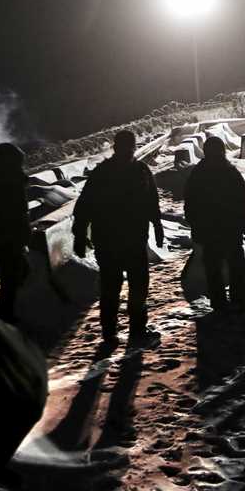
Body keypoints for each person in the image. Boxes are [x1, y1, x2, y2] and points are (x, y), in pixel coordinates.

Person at [73, 129, 163, 341]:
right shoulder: (139, 170)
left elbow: (83, 207)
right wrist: (157, 225)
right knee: (132, 285)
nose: (129, 151)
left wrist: (158, 225)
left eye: (130, 147)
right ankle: (132, 330)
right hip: (126, 240)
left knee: (114, 286)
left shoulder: (103, 172)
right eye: (127, 147)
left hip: (113, 240)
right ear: (119, 148)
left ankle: (112, 331)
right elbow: (151, 201)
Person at [183, 136, 245, 311]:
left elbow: (190, 203)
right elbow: (243, 200)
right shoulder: (230, 172)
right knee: (236, 265)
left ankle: (218, 302)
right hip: (231, 229)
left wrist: (195, 226)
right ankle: (239, 300)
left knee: (213, 267)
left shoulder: (197, 174)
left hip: (208, 230)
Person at [0, 143, 31, 322]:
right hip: (8, 235)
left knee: (11, 274)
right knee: (13, 274)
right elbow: (17, 211)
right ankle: (4, 313)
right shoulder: (11, 181)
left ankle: (1, 310)